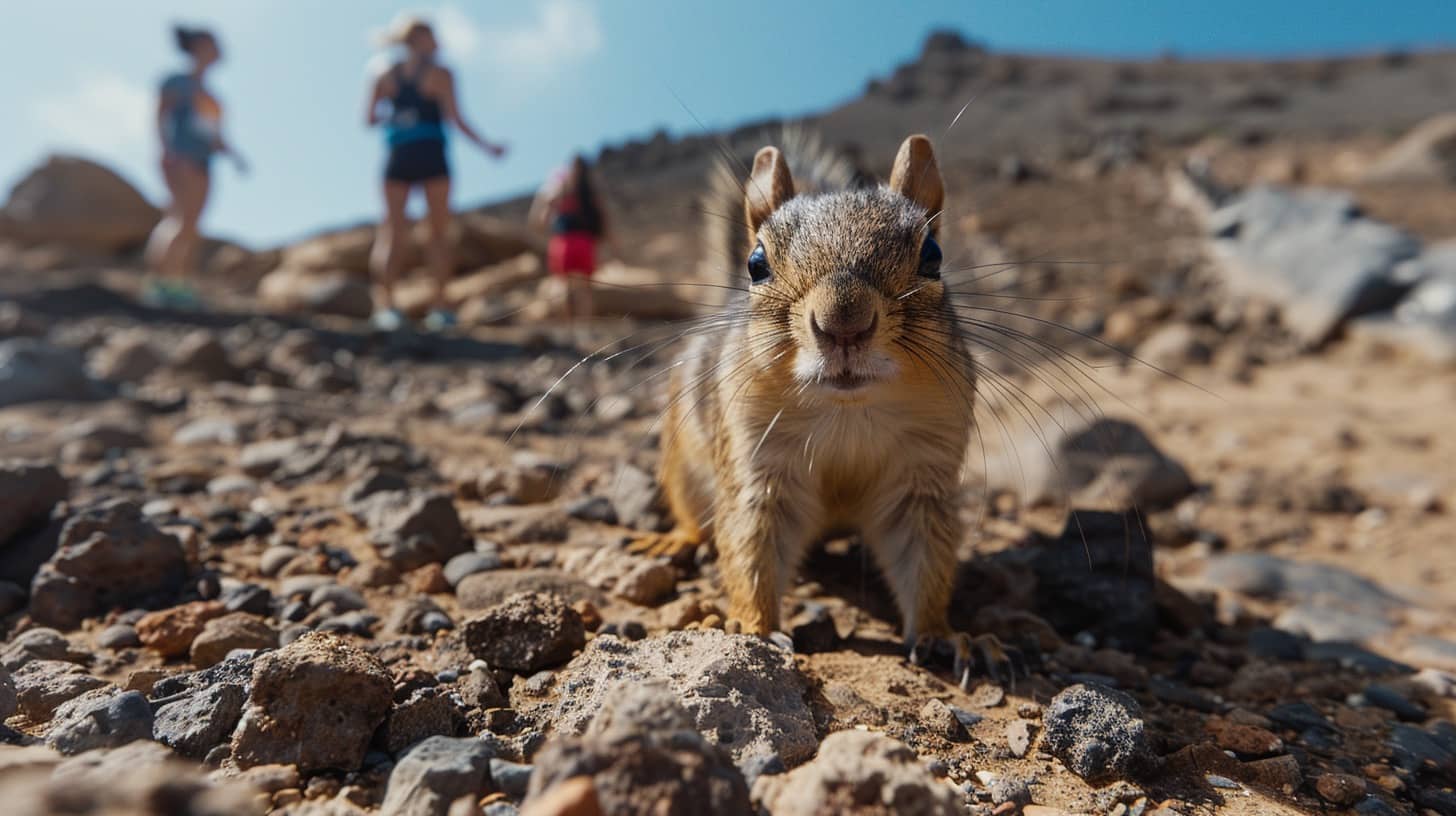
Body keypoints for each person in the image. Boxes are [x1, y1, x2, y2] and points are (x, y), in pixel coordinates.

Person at [365, 15, 507, 332]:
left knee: (415, 231)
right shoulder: (439, 74)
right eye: (432, 36)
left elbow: (369, 119)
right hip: (427, 154)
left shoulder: (383, 74)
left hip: (402, 154)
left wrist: (487, 147)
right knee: (414, 232)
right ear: (418, 38)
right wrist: (488, 147)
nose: (438, 42)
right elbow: (457, 119)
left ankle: (402, 306)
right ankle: (415, 307)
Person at [143, 24, 246, 309]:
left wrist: (234, 156)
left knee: (192, 223)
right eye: (213, 44)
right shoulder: (176, 81)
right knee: (179, 218)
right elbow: (160, 114)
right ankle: (159, 282)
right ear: (199, 46)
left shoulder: (210, 95)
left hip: (203, 161)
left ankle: (178, 283)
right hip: (181, 156)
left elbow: (215, 136)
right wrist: (164, 150)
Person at [529, 154, 614, 324]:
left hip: (563, 243)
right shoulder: (591, 194)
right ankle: (584, 328)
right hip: (585, 243)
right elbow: (604, 220)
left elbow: (540, 220)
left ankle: (569, 331)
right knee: (585, 290)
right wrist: (610, 244)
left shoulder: (560, 189)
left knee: (564, 287)